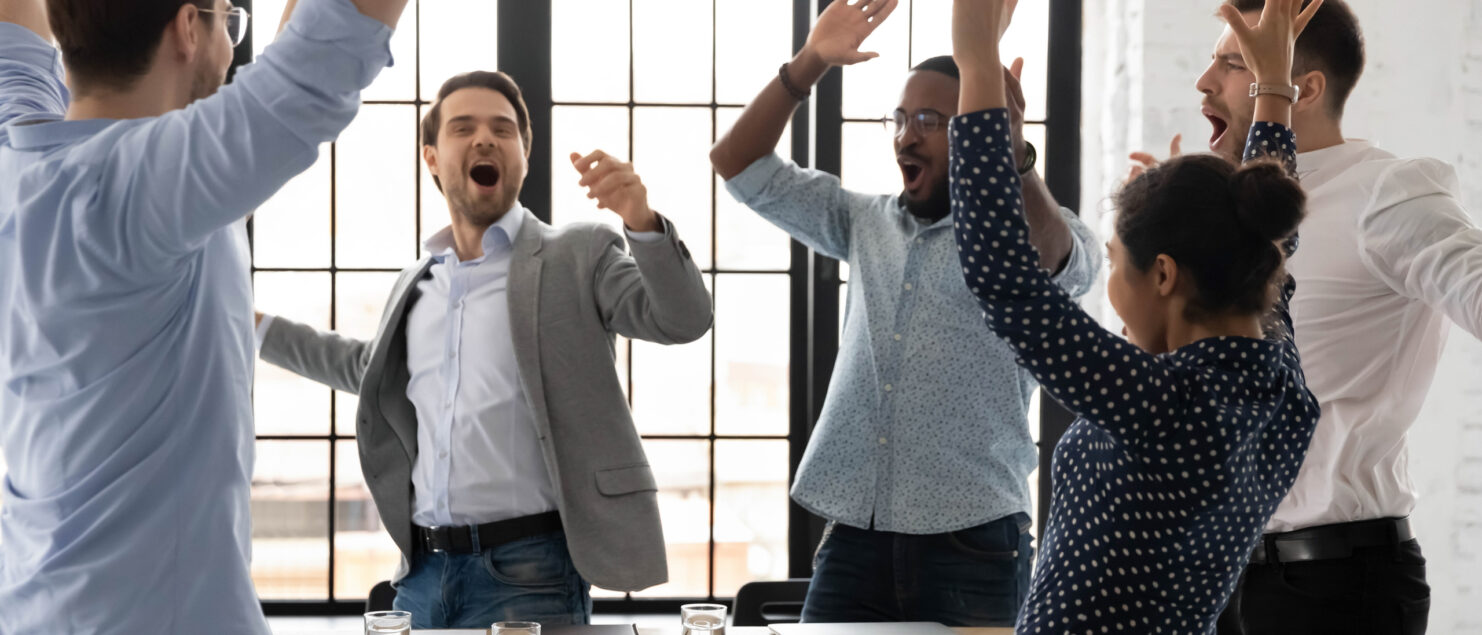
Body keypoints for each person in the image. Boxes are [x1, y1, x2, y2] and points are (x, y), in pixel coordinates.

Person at [0, 0, 407, 632]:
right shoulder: (146, 188)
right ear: (188, 29)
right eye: (228, 19)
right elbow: (316, 62)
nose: (234, 48)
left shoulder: (15, 154)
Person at [253, 71, 713, 629]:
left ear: (524, 153)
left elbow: (683, 319)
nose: (484, 139)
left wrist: (641, 220)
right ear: (431, 156)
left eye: (502, 129)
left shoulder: (579, 253)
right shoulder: (417, 283)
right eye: (462, 127)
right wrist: (249, 325)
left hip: (531, 573)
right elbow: (363, 367)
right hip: (419, 576)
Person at [709, 0, 1101, 626]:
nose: (906, 135)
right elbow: (738, 164)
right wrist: (807, 64)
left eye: (929, 119)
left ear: (975, 129)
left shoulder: (1021, 238)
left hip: (974, 542)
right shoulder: (865, 221)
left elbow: (1064, 261)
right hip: (854, 538)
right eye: (899, 118)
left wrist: (1014, 155)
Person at [949, 0, 1324, 631]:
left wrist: (976, 63)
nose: (1111, 289)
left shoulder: (1164, 402)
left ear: (1164, 274)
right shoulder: (1281, 387)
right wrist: (1273, 90)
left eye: (1116, 262)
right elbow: (1272, 242)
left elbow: (1006, 280)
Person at [1140, 2, 1482, 632]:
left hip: (1334, 587)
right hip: (1216, 578)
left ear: (1305, 88)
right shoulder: (1225, 214)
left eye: (1232, 62)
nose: (1203, 82)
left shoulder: (1387, 192)